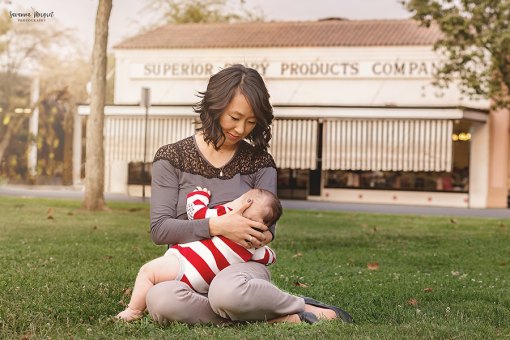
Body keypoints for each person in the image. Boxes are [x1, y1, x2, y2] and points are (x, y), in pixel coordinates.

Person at [146, 64, 353, 325]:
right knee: (160, 300)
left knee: (227, 294)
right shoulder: (172, 157)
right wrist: (217, 225)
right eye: (234, 117)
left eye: (251, 121)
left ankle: (298, 306)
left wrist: (248, 233)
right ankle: (278, 318)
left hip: (239, 268)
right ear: (215, 106)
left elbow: (268, 231)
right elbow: (161, 230)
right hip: (189, 267)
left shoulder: (260, 162)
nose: (241, 129)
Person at [116, 187, 281, 321]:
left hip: (186, 264)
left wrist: (200, 194)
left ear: (245, 204)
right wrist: (270, 253)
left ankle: (133, 310)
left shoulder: (226, 214)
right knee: (160, 289)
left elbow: (196, 212)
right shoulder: (254, 246)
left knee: (148, 272)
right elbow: (267, 257)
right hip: (204, 282)